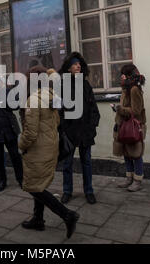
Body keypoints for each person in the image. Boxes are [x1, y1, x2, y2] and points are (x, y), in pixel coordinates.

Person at [18, 66, 80, 239]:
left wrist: (21, 145)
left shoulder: (33, 100)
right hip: (50, 147)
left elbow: (30, 133)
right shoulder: (52, 96)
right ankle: (38, 219)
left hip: (38, 150)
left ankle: (67, 215)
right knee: (39, 183)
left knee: (32, 186)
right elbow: (57, 121)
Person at [58, 52, 101, 204]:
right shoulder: (63, 85)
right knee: (67, 164)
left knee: (87, 162)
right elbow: (59, 109)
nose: (78, 66)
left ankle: (89, 191)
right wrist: (63, 128)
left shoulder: (85, 84)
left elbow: (94, 108)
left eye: (79, 64)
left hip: (85, 131)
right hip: (69, 132)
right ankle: (67, 191)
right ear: (68, 69)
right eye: (75, 64)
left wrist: (92, 124)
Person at [112, 64, 147, 192]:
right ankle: (129, 178)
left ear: (128, 75)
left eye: (123, 74)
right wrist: (117, 108)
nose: (121, 76)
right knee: (126, 153)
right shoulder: (126, 88)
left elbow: (136, 111)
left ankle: (137, 180)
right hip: (124, 125)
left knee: (136, 153)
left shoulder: (134, 89)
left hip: (134, 126)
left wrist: (120, 109)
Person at [0, 73, 23, 192]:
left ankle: (21, 179)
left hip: (9, 130)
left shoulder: (6, 93)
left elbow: (16, 106)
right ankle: (2, 181)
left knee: (15, 157)